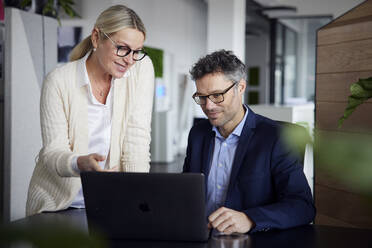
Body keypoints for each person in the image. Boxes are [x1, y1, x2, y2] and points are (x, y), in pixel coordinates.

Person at [26, 5, 154, 216]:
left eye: (136, 52)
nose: (130, 60)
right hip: (58, 204)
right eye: (122, 48)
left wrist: (137, 201)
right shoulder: (58, 81)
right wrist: (79, 163)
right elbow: (52, 152)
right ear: (96, 38)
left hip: (112, 203)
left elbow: (137, 140)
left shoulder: (141, 69)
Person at [183, 50, 315, 234]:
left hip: (248, 241)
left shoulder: (276, 138)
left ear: (241, 87)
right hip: (199, 236)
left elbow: (303, 207)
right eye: (202, 97)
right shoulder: (198, 134)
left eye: (217, 95)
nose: (209, 106)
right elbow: (186, 192)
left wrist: (251, 219)